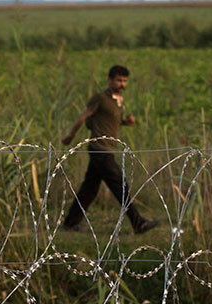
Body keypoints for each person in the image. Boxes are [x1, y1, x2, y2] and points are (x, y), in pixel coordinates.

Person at [61, 65, 158, 234]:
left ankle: (70, 223)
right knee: (120, 185)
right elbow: (83, 116)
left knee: (89, 189)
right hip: (100, 149)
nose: (122, 84)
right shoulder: (100, 98)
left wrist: (127, 122)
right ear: (109, 80)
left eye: (125, 81)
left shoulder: (118, 101)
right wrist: (70, 135)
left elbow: (110, 121)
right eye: (119, 80)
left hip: (107, 149)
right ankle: (138, 223)